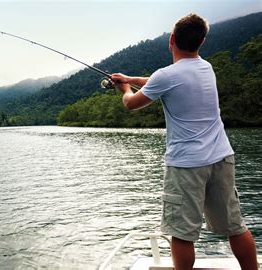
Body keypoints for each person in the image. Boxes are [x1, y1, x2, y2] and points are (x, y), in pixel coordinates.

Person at [110, 13, 258, 270]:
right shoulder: (206, 68)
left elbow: (131, 104)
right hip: (222, 158)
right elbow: (163, 83)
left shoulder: (166, 76)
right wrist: (131, 79)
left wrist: (124, 89)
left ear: (171, 40)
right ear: (201, 42)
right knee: (235, 227)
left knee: (181, 233)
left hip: (187, 165)